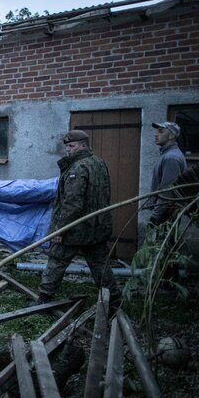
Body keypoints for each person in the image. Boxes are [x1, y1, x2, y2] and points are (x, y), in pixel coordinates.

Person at [37, 130, 121, 306]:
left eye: (71, 146)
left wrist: (60, 229)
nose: (68, 150)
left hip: (76, 229)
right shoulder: (99, 163)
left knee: (57, 260)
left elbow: (72, 203)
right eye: (67, 146)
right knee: (100, 264)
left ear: (83, 145)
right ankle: (114, 299)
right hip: (97, 227)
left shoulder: (78, 167)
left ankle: (44, 298)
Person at [148, 122, 187, 226]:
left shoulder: (171, 158)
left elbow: (167, 192)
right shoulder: (168, 155)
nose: (156, 134)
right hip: (165, 212)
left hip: (166, 214)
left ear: (171, 136)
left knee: (163, 242)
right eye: (156, 131)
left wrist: (155, 217)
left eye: (161, 131)